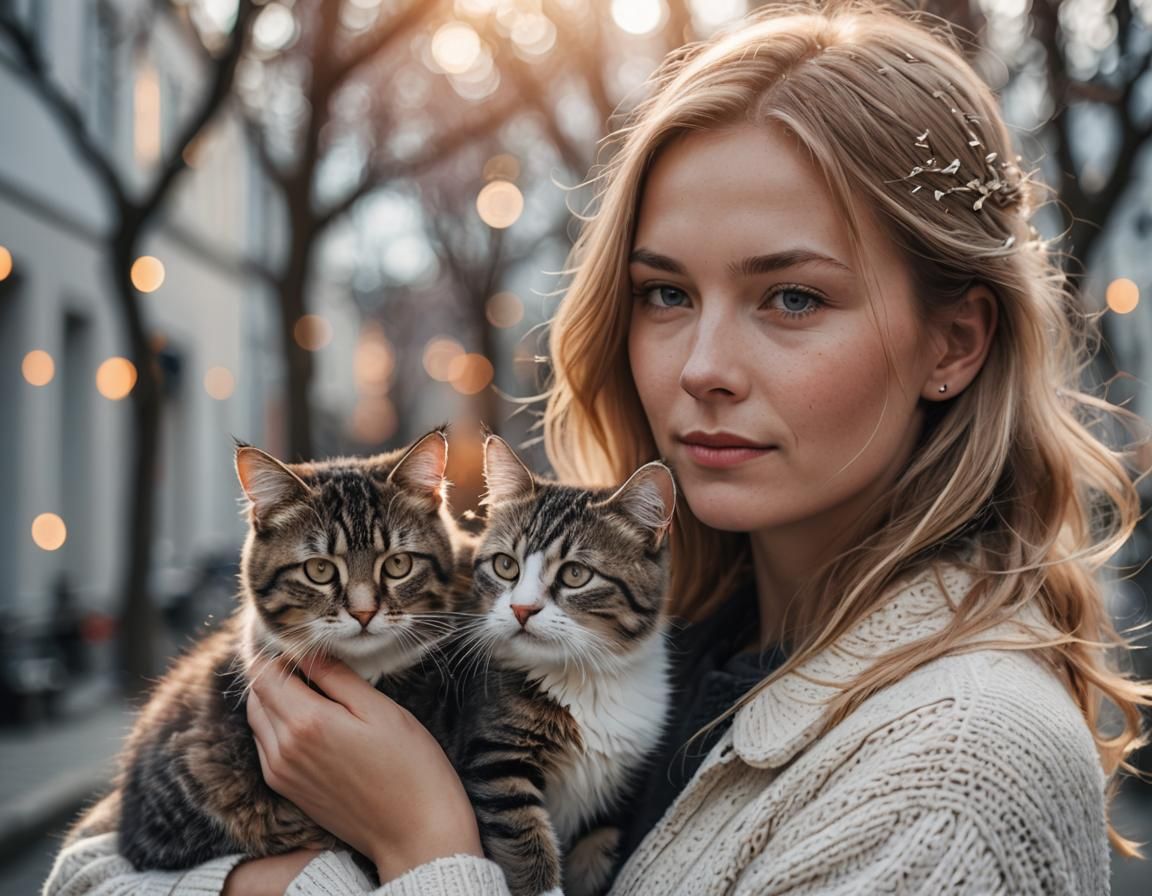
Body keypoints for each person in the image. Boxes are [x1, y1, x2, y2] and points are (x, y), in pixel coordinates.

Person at [45, 1, 1151, 893]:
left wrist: (428, 845)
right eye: (665, 290)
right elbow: (90, 868)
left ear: (953, 341)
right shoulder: (666, 627)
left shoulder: (954, 772)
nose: (700, 364)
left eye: (794, 296)